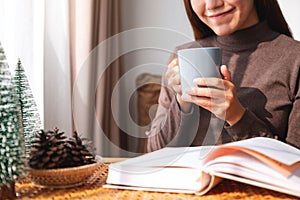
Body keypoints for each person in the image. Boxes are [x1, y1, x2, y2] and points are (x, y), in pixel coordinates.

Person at [147, 0, 300, 152]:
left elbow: (295, 167)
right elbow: (155, 154)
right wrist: (181, 104)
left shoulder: (294, 59)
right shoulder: (182, 57)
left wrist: (236, 116)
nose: (212, 5)